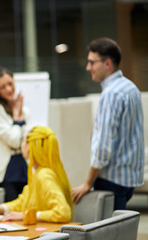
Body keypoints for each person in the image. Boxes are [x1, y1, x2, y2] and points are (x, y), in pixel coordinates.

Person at [72, 37, 145, 210]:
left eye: (92, 62)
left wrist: (88, 183)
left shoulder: (110, 94)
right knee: (120, 229)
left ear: (107, 64)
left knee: (110, 234)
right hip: (129, 179)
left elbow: (103, 147)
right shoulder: (130, 87)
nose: (88, 67)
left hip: (111, 179)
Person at [0, 126, 73, 223]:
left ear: (30, 147)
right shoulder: (37, 173)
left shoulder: (44, 175)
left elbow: (63, 213)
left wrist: (26, 215)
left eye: (23, 142)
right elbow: (21, 203)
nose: (21, 145)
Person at [0, 67, 31, 202]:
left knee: (28, 208)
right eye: (3, 87)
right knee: (11, 211)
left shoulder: (24, 110)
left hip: (24, 165)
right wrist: (17, 117)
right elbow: (14, 140)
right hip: (6, 169)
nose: (9, 89)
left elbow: (26, 139)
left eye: (10, 84)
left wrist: (19, 114)